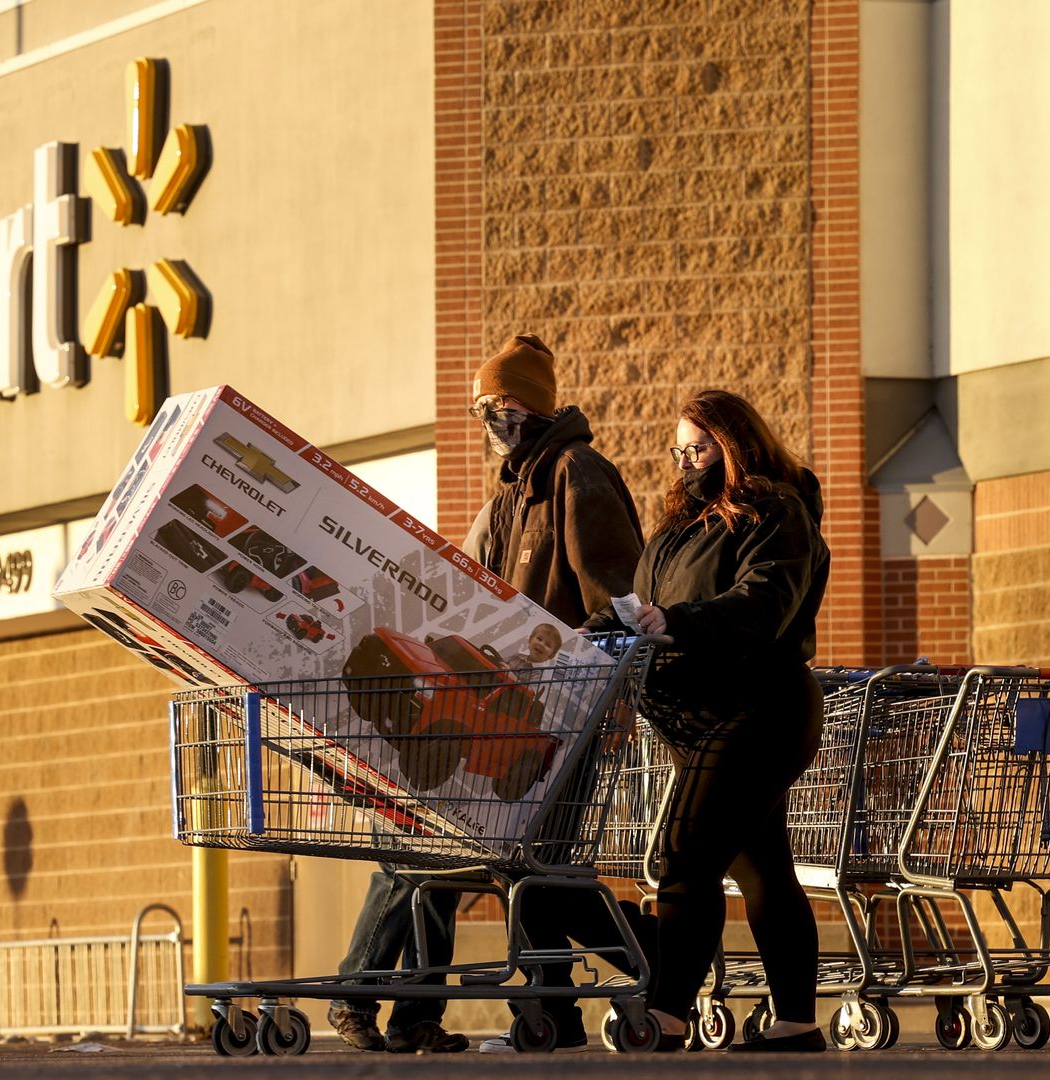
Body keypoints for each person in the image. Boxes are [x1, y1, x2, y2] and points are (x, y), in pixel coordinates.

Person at [327, 334, 645, 1054]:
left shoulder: (575, 474)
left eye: (493, 404)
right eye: (480, 407)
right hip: (500, 709)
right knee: (505, 863)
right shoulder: (511, 491)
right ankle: (526, 1012)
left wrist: (606, 688)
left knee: (492, 861)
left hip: (555, 713)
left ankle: (646, 964)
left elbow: (618, 596)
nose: (485, 418)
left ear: (526, 403)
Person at [598, 388, 830, 1053]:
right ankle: (796, 1024)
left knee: (684, 853)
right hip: (692, 714)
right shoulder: (677, 527)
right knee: (762, 869)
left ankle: (666, 1016)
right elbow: (643, 604)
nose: (686, 462)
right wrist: (587, 632)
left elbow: (763, 602)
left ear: (734, 444)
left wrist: (679, 621)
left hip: (759, 707)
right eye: (679, 450)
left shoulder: (776, 512)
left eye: (698, 448)